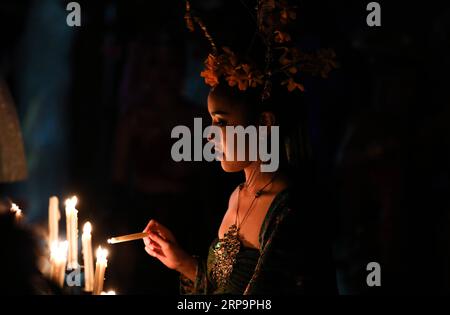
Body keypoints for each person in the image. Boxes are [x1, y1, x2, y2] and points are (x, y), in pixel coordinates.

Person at [142, 83, 337, 295]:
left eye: (222, 122)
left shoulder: (289, 210)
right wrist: (181, 262)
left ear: (263, 124)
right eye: (212, 121)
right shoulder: (237, 195)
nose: (210, 135)